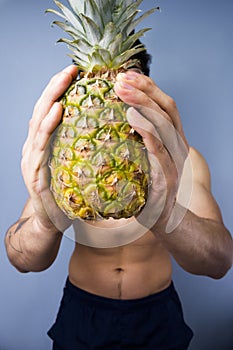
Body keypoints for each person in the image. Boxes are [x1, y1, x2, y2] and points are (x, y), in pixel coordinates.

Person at [5, 50, 233, 350]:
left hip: (157, 313)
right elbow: (22, 260)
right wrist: (47, 222)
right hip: (83, 311)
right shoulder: (64, 161)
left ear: (144, 88)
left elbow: (219, 262)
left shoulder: (182, 162)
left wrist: (164, 216)